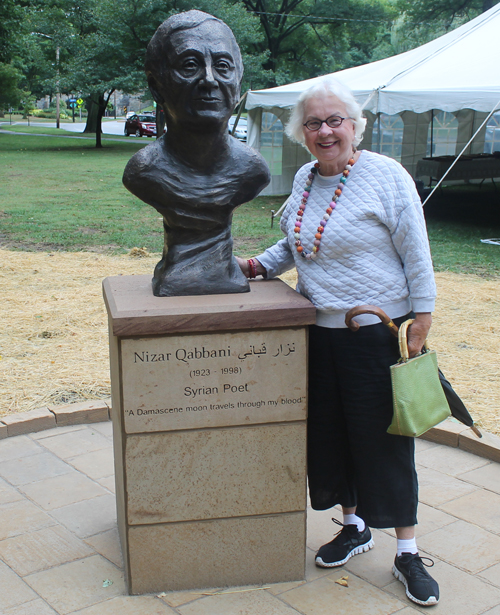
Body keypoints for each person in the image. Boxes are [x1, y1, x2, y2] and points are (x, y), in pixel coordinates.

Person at [237, 77, 440, 607]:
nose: (325, 131)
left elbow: (415, 247)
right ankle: (354, 527)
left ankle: (408, 551)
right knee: (330, 437)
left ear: (356, 126)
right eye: (313, 123)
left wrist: (423, 313)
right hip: (317, 334)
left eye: (335, 121)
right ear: (300, 132)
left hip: (375, 333)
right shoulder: (306, 178)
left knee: (385, 442)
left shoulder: (385, 176)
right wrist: (259, 265)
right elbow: (300, 241)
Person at [123, 10, 270, 297]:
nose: (209, 79)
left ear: (238, 82)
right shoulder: (143, 172)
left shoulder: (253, 170)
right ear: (157, 85)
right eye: (189, 65)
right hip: (174, 277)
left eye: (223, 66)